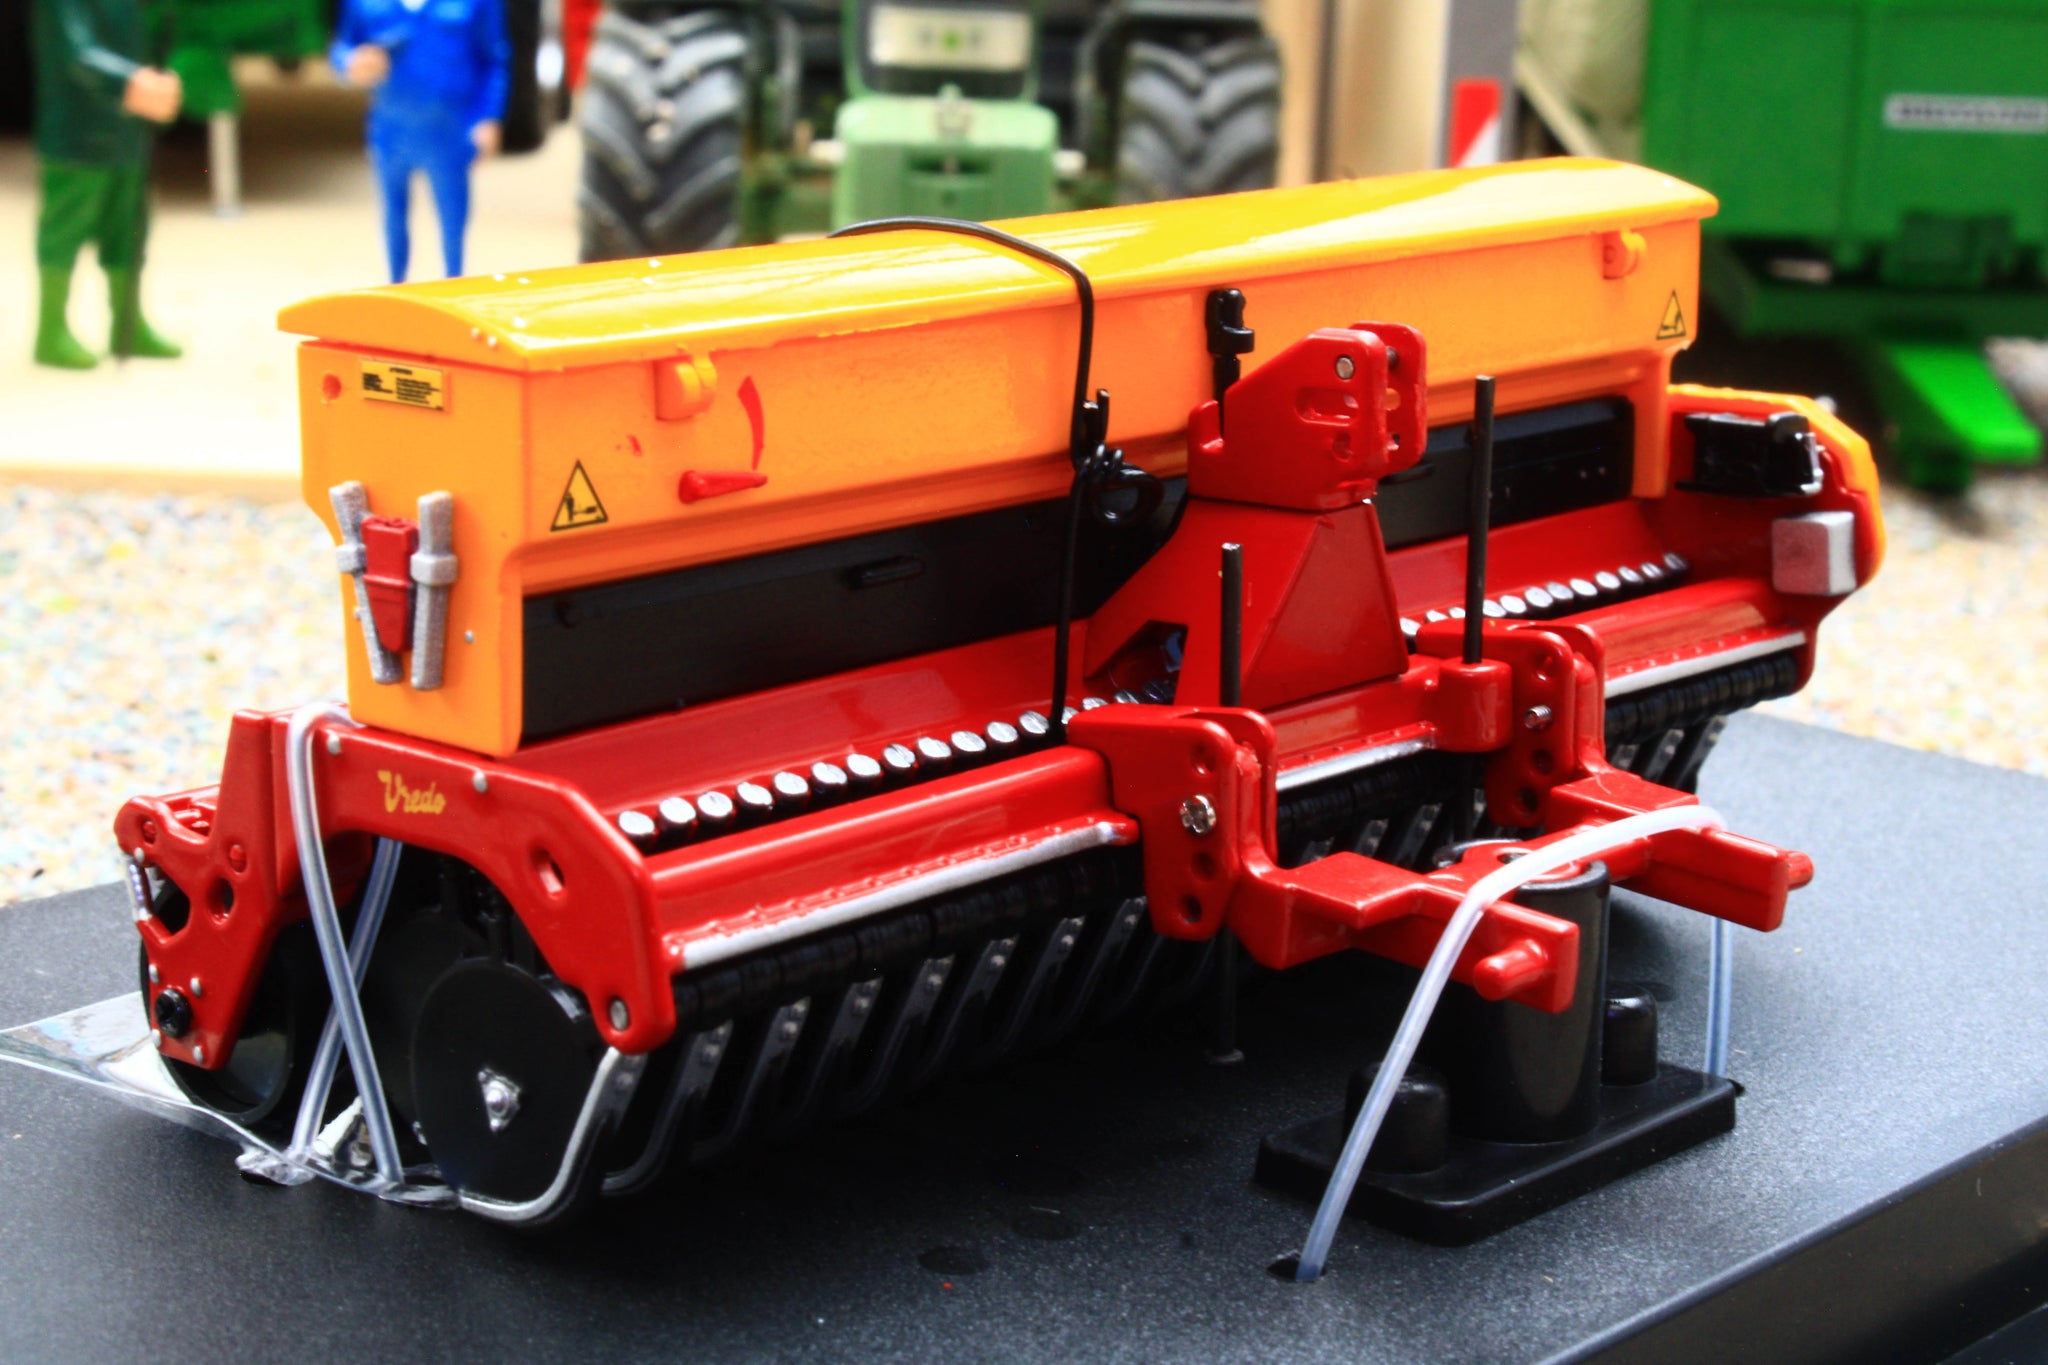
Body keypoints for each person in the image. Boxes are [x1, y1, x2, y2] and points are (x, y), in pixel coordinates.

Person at [30, 0, 184, 369]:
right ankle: (51, 329)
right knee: (65, 229)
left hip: (127, 132)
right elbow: (74, 53)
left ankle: (127, 322)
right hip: (77, 137)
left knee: (129, 227)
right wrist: (130, 81)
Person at [332, 0, 510, 283]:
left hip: (449, 129)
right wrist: (351, 62)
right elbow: (342, 47)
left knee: (452, 218)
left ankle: (454, 284)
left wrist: (488, 116)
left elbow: (493, 58)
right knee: (393, 215)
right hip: (391, 129)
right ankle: (396, 286)